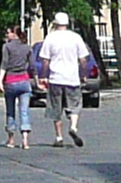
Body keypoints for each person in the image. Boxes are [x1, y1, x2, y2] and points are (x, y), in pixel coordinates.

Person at [36, 14, 91, 148]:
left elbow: (45, 60)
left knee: (56, 108)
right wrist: (83, 74)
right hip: (72, 78)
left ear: (55, 23)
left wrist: (43, 76)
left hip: (55, 78)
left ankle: (59, 137)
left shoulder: (50, 38)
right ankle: (73, 127)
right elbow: (84, 59)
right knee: (74, 105)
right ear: (68, 23)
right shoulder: (75, 37)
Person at [0, 25, 38, 150]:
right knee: (24, 111)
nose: (6, 35)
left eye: (8, 32)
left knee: (10, 111)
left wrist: (0, 81)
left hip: (11, 81)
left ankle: (11, 139)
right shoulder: (27, 48)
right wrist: (36, 81)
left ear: (14, 34)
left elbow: (4, 64)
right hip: (24, 81)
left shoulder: (7, 47)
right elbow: (32, 66)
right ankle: (25, 140)